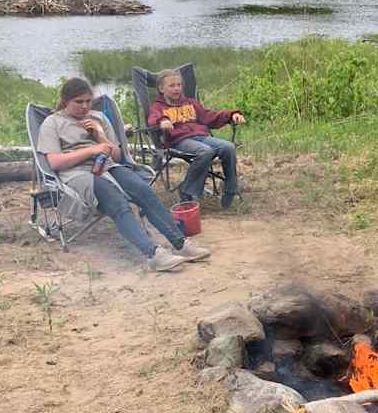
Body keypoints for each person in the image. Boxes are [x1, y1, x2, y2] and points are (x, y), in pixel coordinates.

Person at [38, 78, 210, 272]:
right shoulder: (52, 123)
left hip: (108, 166)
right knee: (117, 203)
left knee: (145, 192)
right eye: (79, 102)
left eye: (88, 101)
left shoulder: (98, 118)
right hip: (77, 174)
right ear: (65, 101)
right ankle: (153, 254)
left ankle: (180, 244)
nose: (85, 106)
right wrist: (92, 151)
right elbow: (54, 162)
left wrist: (100, 135)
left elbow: (118, 156)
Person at [146, 69, 245, 209]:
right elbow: (153, 120)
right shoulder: (157, 107)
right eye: (172, 85)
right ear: (161, 88)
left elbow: (209, 116)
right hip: (178, 141)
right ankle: (187, 191)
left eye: (179, 85)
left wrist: (231, 115)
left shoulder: (190, 103)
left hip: (201, 137)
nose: (176, 89)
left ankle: (230, 190)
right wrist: (163, 121)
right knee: (205, 152)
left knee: (228, 147)